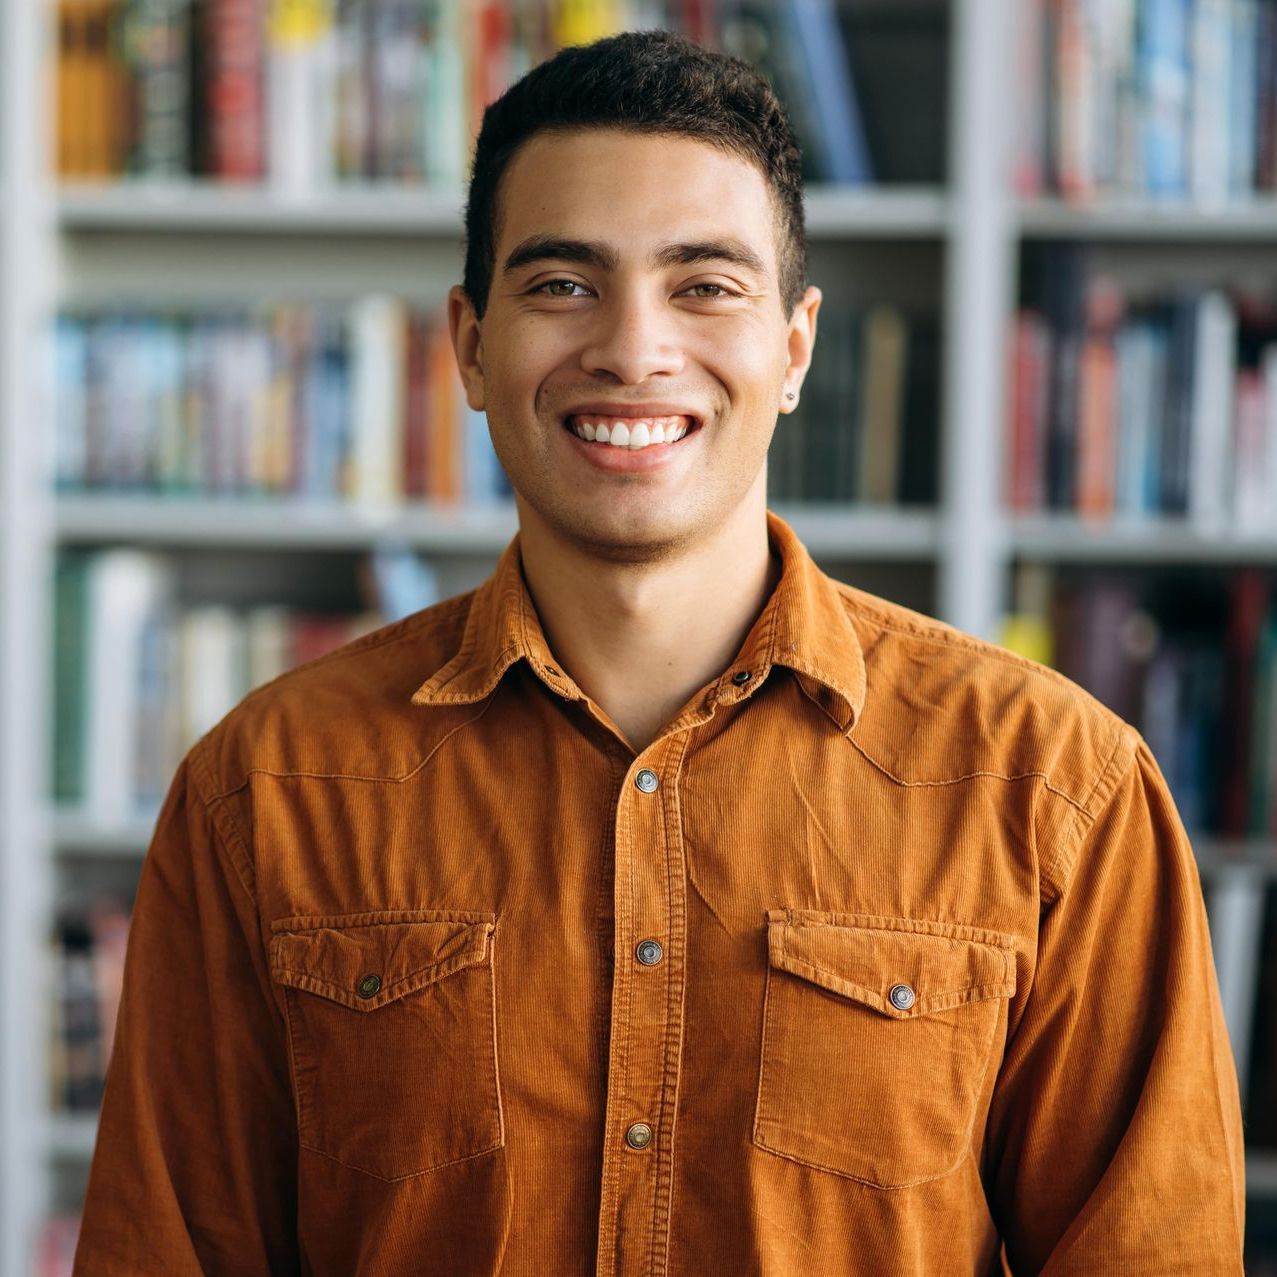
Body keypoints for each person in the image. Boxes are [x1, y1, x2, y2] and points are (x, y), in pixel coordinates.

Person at [73, 28, 1244, 1276]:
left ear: (793, 347)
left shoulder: (1055, 789)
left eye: (704, 284)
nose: (632, 348)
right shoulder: (265, 791)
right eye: (563, 283)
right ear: (469, 346)